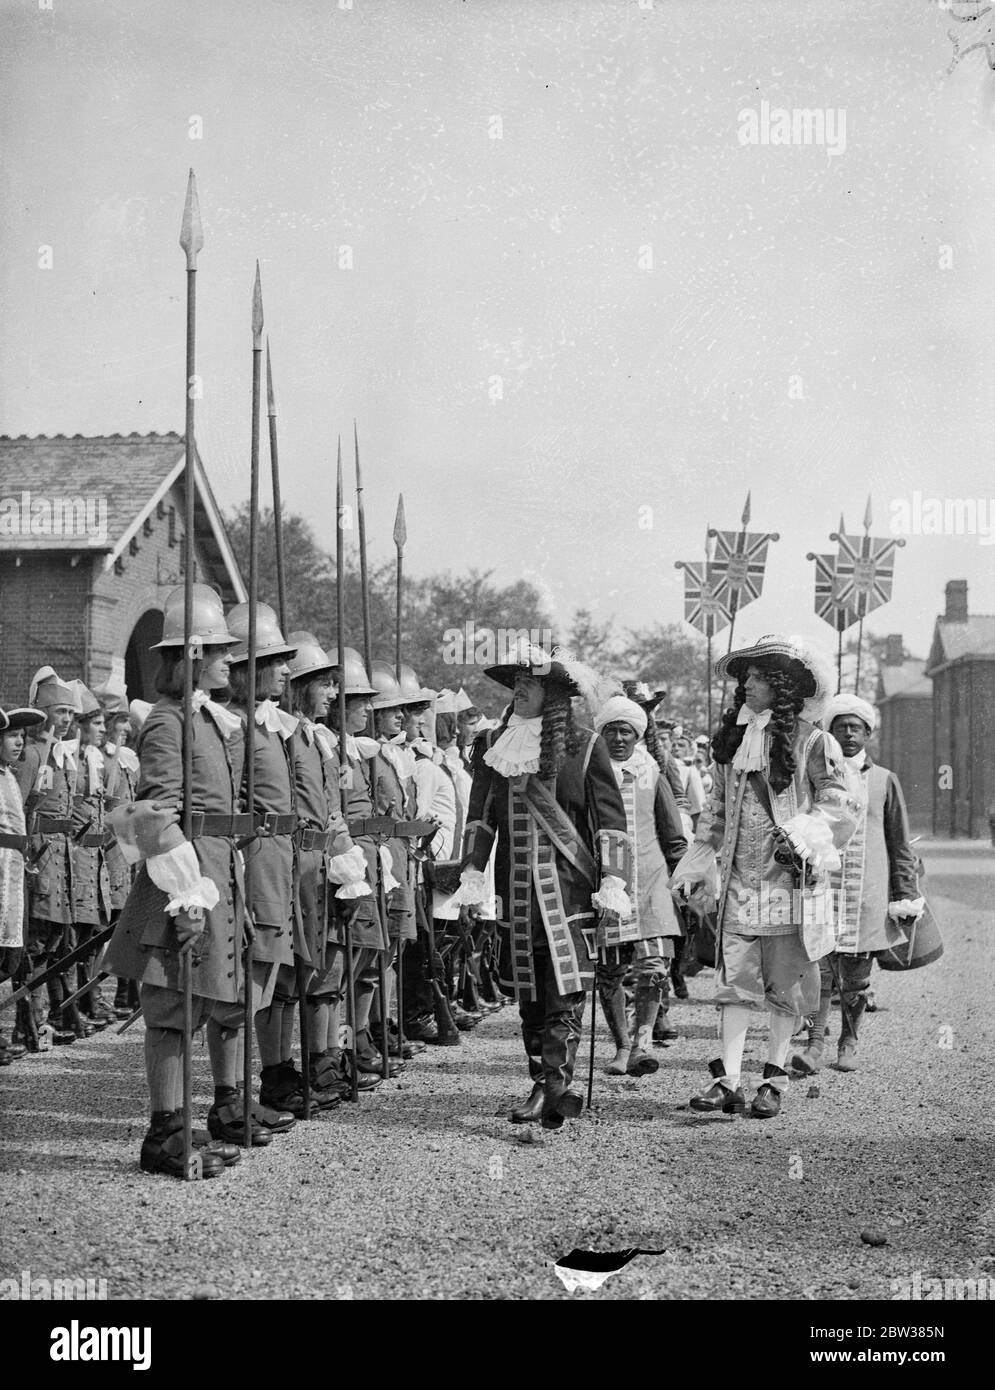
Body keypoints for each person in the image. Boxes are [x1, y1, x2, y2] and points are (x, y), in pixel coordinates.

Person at [104, 584, 265, 1178]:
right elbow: (152, 814)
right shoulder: (169, 722)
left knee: (203, 1005)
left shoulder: (206, 720)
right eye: (220, 650)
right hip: (180, 885)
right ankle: (165, 1134)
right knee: (171, 1009)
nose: (231, 659)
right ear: (192, 655)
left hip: (215, 875)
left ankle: (190, 1122)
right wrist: (185, 896)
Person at [672, 634, 858, 1119]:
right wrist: (699, 861)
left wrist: (803, 834)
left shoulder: (816, 742)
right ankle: (726, 1081)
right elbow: (714, 807)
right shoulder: (731, 740)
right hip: (738, 880)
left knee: (784, 984)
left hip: (790, 885)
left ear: (781, 685)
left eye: (756, 677)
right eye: (744, 677)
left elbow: (840, 803)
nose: (747, 684)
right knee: (734, 982)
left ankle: (773, 1080)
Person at [456, 643, 633, 1130]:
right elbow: (480, 820)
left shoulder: (585, 744)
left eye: (528, 684)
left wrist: (614, 881)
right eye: (516, 685)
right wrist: (473, 874)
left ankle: (553, 1085)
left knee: (563, 991)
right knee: (530, 995)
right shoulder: (495, 743)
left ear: (552, 694)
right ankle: (545, 1080)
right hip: (516, 894)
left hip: (569, 894)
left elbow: (610, 822)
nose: (519, 690)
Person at [791, 693, 923, 1076]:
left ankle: (848, 1039)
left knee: (856, 975)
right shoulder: (815, 776)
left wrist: (904, 893)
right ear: (828, 733)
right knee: (819, 966)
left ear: (868, 733)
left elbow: (899, 843)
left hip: (867, 888)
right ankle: (814, 1045)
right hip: (823, 884)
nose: (848, 734)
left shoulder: (884, 780)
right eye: (840, 726)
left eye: (856, 727)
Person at [286, 636, 371, 1105]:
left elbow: (334, 811)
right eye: (324, 684)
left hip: (328, 859)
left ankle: (324, 1058)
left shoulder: (321, 740)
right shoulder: (290, 735)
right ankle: (309, 1063)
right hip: (302, 863)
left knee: (333, 962)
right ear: (301, 689)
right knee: (311, 968)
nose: (333, 695)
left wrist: (346, 858)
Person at [593, 696, 687, 1076]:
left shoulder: (653, 774)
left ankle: (643, 1043)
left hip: (651, 882)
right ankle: (621, 1045)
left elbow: (674, 835)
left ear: (637, 735)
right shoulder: (589, 776)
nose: (618, 738)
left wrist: (683, 878)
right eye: (611, 731)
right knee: (610, 973)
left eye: (625, 731)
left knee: (653, 967)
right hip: (607, 886)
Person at [324, 646, 390, 1093]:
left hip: (369, 857)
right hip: (347, 858)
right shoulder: (333, 749)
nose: (368, 708)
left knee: (368, 958)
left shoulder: (360, 751)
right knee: (342, 964)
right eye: (359, 701)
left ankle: (358, 1040)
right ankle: (340, 1050)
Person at [13, 668, 80, 1050]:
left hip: (62, 858)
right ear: (44, 713)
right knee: (35, 943)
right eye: (60, 712)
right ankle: (28, 1026)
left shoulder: (59, 754)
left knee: (54, 942)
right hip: (38, 857)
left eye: (70, 713)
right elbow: (18, 810)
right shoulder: (34, 754)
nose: (66, 719)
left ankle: (42, 1022)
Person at [68, 684, 116, 1029]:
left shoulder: (97, 760)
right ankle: (71, 1007)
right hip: (76, 856)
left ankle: (88, 998)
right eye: (96, 723)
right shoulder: (70, 759)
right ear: (81, 726)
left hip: (96, 859)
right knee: (75, 936)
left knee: (96, 931)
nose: (103, 729)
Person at [0, 706, 46, 1064]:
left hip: (13, 869)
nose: (20, 742)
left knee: (9, 956)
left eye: (22, 736)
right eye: (12, 735)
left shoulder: (9, 776)